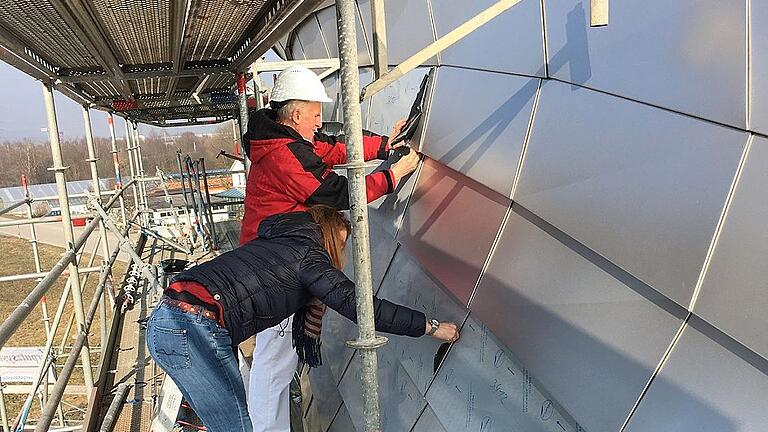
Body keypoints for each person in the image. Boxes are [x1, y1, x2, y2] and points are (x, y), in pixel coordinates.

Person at [147, 206, 459, 432]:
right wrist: (430, 327)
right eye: (343, 242)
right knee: (238, 427)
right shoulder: (311, 258)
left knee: (233, 423)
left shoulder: (279, 238)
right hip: (193, 327)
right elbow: (361, 307)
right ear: (330, 234)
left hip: (170, 319)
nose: (344, 253)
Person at [240, 66, 420, 431]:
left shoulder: (285, 141)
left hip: (276, 256)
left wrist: (386, 144)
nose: (320, 121)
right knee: (275, 363)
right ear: (296, 114)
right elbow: (334, 192)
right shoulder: (282, 155)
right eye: (316, 114)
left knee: (277, 362)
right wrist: (392, 175)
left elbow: (334, 149)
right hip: (273, 269)